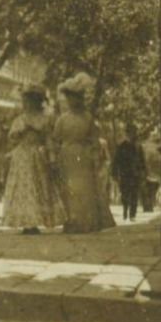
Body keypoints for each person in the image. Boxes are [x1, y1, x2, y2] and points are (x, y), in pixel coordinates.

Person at [50, 75, 116, 233]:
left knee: (85, 188)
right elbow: (55, 140)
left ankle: (86, 222)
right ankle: (72, 221)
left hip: (84, 156)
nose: (75, 102)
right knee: (69, 189)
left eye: (77, 98)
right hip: (66, 156)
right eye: (71, 98)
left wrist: (94, 156)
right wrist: (53, 158)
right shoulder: (62, 119)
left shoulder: (88, 118)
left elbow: (94, 139)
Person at [1, 88, 64, 233]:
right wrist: (20, 132)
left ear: (37, 102)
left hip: (37, 154)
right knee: (24, 187)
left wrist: (52, 158)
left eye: (29, 101)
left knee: (37, 186)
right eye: (25, 102)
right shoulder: (20, 119)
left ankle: (35, 221)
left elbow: (48, 140)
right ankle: (26, 222)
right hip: (22, 155)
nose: (27, 104)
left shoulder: (44, 119)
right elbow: (12, 138)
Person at [111, 121, 145, 222]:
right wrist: (114, 173)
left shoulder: (138, 147)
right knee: (125, 193)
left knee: (134, 193)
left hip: (135, 173)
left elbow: (142, 161)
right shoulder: (121, 146)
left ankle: (132, 214)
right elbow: (116, 161)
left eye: (134, 132)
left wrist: (144, 172)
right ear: (127, 133)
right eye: (130, 132)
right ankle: (125, 209)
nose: (133, 134)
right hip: (125, 173)